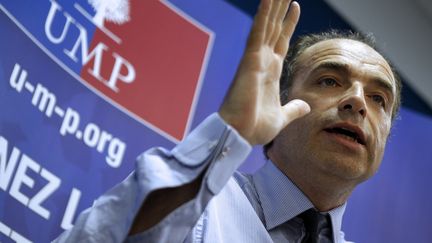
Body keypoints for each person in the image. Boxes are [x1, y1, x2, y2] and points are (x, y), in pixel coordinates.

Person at [54, 0, 401, 242]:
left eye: (378, 99)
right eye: (329, 81)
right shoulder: (188, 200)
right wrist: (229, 130)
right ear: (278, 101)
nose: (357, 102)